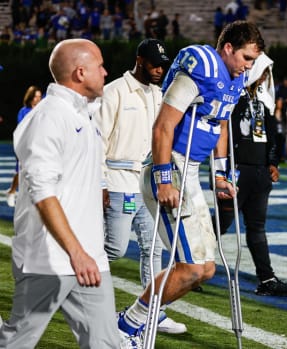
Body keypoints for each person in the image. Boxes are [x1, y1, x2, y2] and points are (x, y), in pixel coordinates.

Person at [116, 20, 264, 346]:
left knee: (206, 269)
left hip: (193, 171)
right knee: (190, 268)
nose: (248, 67)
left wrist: (222, 175)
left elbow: (222, 126)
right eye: (246, 58)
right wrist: (164, 179)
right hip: (170, 168)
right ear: (228, 48)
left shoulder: (233, 81)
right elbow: (162, 127)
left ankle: (130, 321)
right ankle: (127, 327)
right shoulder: (199, 69)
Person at [0, 38, 119, 347]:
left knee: (105, 344)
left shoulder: (84, 111)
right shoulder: (49, 118)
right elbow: (42, 192)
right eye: (100, 66)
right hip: (48, 260)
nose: (106, 72)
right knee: (17, 343)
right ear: (80, 73)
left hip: (90, 260)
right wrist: (75, 252)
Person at [96, 38, 186, 334]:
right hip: (118, 180)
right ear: (139, 60)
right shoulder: (114, 92)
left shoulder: (159, 95)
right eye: (154, 64)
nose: (160, 69)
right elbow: (97, 140)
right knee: (114, 248)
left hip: (147, 184)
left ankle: (154, 313)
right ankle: (80, 294)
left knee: (154, 249)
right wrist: (100, 183)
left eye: (163, 64)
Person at [215, 53, 287, 297]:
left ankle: (267, 278)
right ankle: (190, 264)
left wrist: (273, 161)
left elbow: (271, 135)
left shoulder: (265, 99)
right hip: (236, 169)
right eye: (261, 71)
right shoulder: (232, 94)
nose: (263, 77)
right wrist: (224, 168)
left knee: (257, 227)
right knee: (222, 223)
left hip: (260, 172)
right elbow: (223, 132)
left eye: (266, 73)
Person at [5, 85, 42, 207]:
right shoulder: (24, 111)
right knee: (20, 171)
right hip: (24, 144)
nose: (38, 99)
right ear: (30, 97)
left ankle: (33, 197)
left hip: (38, 145)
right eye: (35, 96)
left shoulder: (42, 110)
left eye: (39, 97)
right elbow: (21, 127)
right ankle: (11, 192)